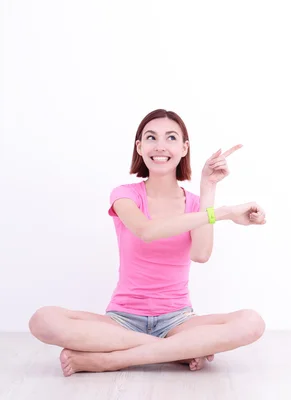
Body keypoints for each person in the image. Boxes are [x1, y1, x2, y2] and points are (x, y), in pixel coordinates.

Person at [28, 109, 267, 377]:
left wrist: (208, 187)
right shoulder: (124, 196)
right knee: (43, 320)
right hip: (121, 320)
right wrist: (223, 213)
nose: (160, 146)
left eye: (171, 138)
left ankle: (112, 360)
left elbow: (200, 254)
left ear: (184, 148)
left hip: (178, 320)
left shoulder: (196, 206)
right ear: (140, 147)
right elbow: (147, 231)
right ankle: (175, 351)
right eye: (151, 137)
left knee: (252, 322)